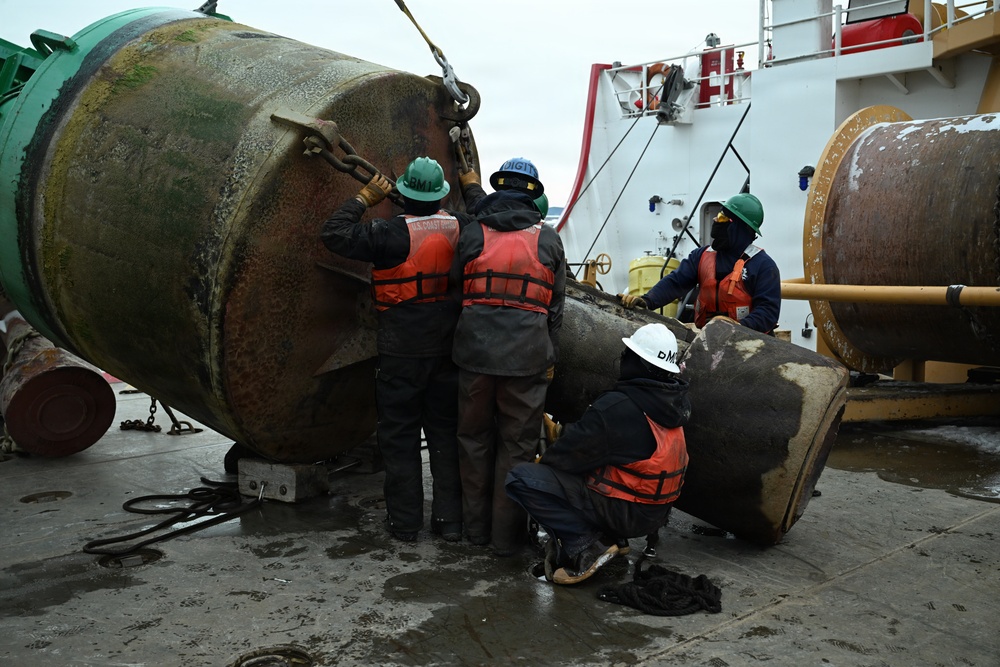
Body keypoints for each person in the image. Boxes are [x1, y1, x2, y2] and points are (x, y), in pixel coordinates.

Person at [321, 157, 475, 543]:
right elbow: (491, 216)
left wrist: (364, 197)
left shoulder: (387, 234)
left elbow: (334, 233)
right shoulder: (461, 226)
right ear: (441, 195)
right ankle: (450, 522)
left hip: (401, 353)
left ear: (403, 193)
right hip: (448, 352)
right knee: (445, 436)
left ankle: (405, 525)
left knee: (400, 438)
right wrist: (472, 185)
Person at [505, 323, 691, 585]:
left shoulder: (618, 406)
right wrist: (564, 431)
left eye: (628, 355)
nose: (623, 360)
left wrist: (543, 460)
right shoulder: (674, 403)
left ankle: (587, 544)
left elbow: (566, 458)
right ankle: (615, 540)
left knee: (522, 479)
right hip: (656, 513)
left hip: (626, 513)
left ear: (639, 363)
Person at [451, 157, 567, 556]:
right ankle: (506, 540)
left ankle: (474, 532)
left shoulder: (473, 232)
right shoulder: (548, 239)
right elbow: (555, 309)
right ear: (533, 194)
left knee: (472, 440)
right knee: (517, 448)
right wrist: (548, 354)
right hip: (527, 358)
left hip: (474, 355)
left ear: (499, 188)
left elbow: (456, 291)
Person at [620, 193, 781, 334]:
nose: (715, 220)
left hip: (748, 342)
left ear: (738, 228)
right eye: (717, 216)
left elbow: (768, 311)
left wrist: (739, 327)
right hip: (707, 338)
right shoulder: (701, 256)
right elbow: (676, 282)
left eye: (722, 217)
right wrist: (647, 301)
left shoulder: (763, 266)